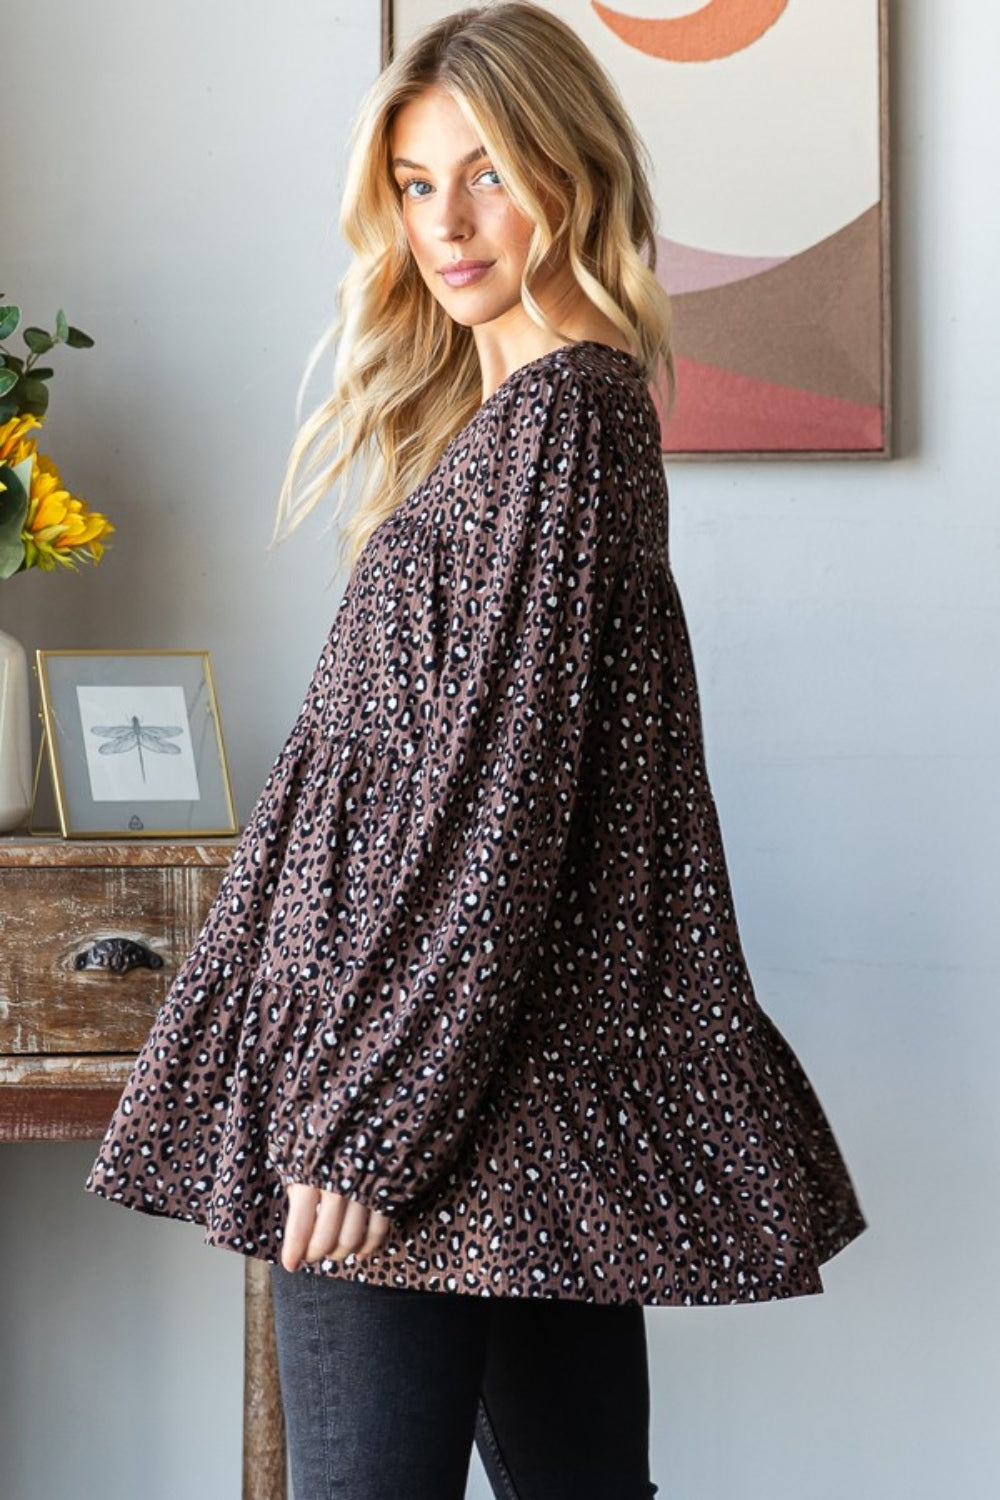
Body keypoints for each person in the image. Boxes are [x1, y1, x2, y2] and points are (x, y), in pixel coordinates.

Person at [86, 4, 866, 1497]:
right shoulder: (519, 422)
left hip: (417, 1090)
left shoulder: (563, 419)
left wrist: (366, 1123)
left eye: (489, 173)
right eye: (417, 182)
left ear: (573, 174)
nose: (447, 223)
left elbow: (494, 804)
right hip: (498, 1093)